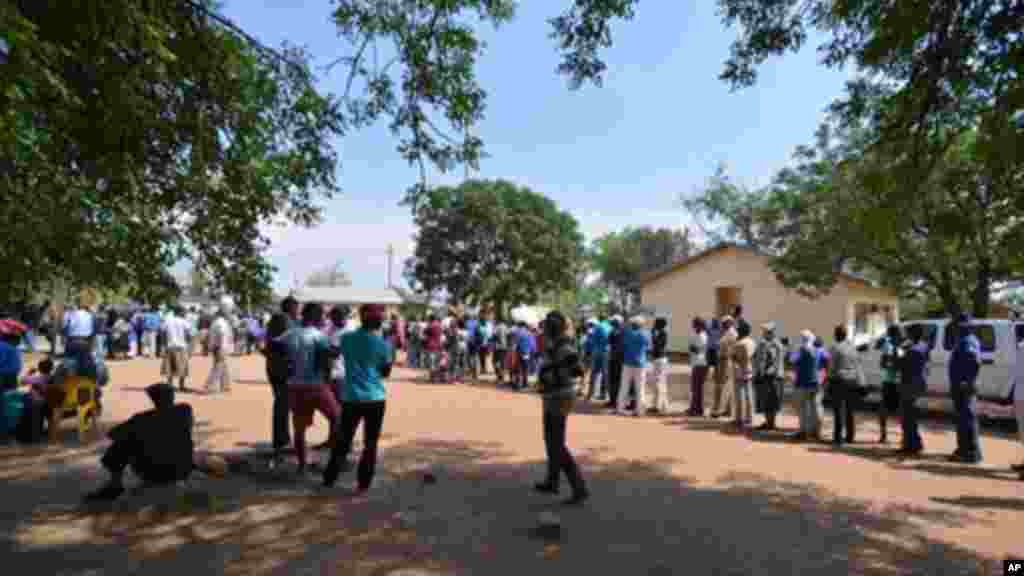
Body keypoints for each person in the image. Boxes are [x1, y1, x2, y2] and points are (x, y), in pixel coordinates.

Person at [323, 304, 394, 492]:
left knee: (343, 440)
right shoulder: (383, 345)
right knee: (370, 443)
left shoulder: (346, 339)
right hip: (375, 398)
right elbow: (385, 372)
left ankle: (329, 478)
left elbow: (335, 352)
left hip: (351, 398)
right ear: (378, 322)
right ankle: (363, 484)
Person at [85, 383, 194, 501]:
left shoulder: (141, 419)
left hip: (151, 471)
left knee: (122, 443)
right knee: (137, 438)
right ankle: (115, 485)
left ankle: (115, 484)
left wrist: (139, 435)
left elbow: (113, 434)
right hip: (183, 468)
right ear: (172, 397)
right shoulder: (184, 410)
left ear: (152, 399)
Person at [533, 310, 589, 506]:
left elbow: (578, 370)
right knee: (551, 440)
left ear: (553, 327)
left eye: (548, 325)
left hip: (559, 397)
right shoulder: (555, 344)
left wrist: (555, 372)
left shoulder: (564, 346)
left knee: (556, 443)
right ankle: (552, 481)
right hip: (552, 396)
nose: (545, 328)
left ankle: (579, 488)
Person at [281, 302, 341, 474]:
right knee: (337, 417)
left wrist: (287, 366)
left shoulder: (289, 334)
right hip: (315, 386)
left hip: (294, 386)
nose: (323, 318)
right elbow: (327, 358)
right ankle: (336, 460)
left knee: (299, 428)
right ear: (314, 316)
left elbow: (270, 349)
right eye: (321, 315)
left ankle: (302, 465)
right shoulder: (318, 335)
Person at [947, 314, 982, 463]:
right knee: (963, 419)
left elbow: (974, 361)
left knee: (966, 419)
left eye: (958, 326)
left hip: (964, 387)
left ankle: (970, 453)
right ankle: (963, 449)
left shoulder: (967, 341)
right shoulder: (964, 340)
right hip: (962, 385)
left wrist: (966, 381)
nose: (956, 329)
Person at [263, 309, 292, 467]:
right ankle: (280, 443)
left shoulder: (271, 337)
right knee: (282, 407)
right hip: (282, 375)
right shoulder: (281, 340)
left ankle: (282, 440)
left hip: (274, 373)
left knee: (281, 407)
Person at [828, 325, 863, 446]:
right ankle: (850, 436)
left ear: (837, 335)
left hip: (839, 380)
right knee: (850, 410)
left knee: (838, 409)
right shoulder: (853, 347)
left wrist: (828, 379)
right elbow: (858, 364)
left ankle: (838, 437)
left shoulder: (835, 348)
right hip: (853, 380)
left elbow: (831, 366)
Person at [899, 323, 929, 456]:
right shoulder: (924, 346)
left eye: (908, 333)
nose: (907, 336)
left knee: (907, 416)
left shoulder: (912, 350)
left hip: (909, 384)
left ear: (913, 335)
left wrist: (900, 350)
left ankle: (911, 444)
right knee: (912, 415)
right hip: (919, 382)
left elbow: (900, 365)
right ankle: (914, 443)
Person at [752, 322, 785, 431]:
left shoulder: (774, 344)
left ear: (770, 333)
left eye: (766, 332)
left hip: (771, 377)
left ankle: (771, 423)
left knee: (771, 400)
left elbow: (773, 361)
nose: (764, 334)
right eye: (765, 332)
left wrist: (764, 372)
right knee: (767, 400)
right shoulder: (768, 343)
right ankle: (769, 422)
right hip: (768, 375)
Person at [617, 316, 651, 416]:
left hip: (627, 362)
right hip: (640, 363)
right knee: (640, 388)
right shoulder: (645, 334)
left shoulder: (627, 333)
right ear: (641, 325)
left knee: (624, 386)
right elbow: (648, 345)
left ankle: (620, 408)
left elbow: (622, 343)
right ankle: (640, 410)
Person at [791, 330, 821, 441]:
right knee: (815, 408)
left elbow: (792, 360)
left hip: (803, 382)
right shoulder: (817, 349)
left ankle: (803, 431)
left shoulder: (802, 349)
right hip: (815, 382)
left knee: (803, 408)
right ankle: (815, 431)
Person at [878, 324, 904, 444]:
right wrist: (894, 365)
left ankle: (904, 436)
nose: (901, 334)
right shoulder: (888, 346)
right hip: (889, 381)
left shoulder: (901, 346)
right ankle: (883, 435)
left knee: (901, 410)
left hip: (899, 382)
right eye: (899, 332)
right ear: (894, 334)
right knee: (884, 409)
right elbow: (883, 363)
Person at [205, 299, 235, 394]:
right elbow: (222, 335)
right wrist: (222, 347)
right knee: (218, 367)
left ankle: (225, 385)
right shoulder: (221, 322)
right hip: (220, 347)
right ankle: (210, 386)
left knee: (223, 366)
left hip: (217, 346)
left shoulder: (217, 321)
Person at [731, 320, 756, 429]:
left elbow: (734, 357)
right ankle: (750, 417)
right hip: (750, 369)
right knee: (749, 394)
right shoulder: (752, 342)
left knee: (739, 395)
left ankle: (739, 419)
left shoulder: (739, 343)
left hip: (740, 370)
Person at [161, 306, 193, 391]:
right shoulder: (184, 322)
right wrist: (189, 344)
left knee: (169, 367)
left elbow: (162, 332)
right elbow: (189, 334)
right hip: (181, 347)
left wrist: (164, 344)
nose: (185, 313)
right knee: (182, 367)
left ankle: (169, 385)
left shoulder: (168, 321)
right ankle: (181, 386)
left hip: (170, 346)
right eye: (184, 312)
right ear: (181, 312)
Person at [711, 316, 737, 419]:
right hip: (723, 359)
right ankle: (726, 410)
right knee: (724, 385)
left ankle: (718, 410)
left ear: (729, 323)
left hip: (725, 360)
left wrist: (717, 344)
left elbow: (722, 345)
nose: (722, 325)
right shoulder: (727, 332)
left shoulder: (731, 333)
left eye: (724, 323)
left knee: (722, 386)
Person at [648, 316, 671, 414]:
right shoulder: (660, 332)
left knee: (658, 383)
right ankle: (662, 405)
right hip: (658, 359)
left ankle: (658, 406)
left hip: (660, 360)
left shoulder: (663, 333)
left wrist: (653, 335)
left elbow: (658, 345)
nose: (654, 325)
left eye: (655, 323)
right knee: (659, 382)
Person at [687, 317, 708, 416]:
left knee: (696, 388)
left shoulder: (703, 336)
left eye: (694, 324)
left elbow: (699, 350)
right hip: (696, 362)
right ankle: (696, 408)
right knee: (696, 388)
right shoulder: (697, 334)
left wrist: (692, 348)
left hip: (701, 363)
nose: (693, 326)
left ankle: (695, 409)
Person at [587, 317, 611, 401]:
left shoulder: (598, 327)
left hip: (597, 351)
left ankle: (591, 394)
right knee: (605, 374)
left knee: (594, 373)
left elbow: (591, 340)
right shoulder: (609, 326)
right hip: (606, 352)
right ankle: (604, 394)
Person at [607, 316, 626, 409]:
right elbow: (609, 344)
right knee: (612, 380)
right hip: (613, 359)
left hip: (621, 360)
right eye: (613, 323)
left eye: (616, 323)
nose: (614, 324)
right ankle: (612, 400)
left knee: (619, 381)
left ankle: (618, 401)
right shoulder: (612, 333)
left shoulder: (624, 332)